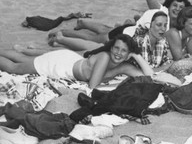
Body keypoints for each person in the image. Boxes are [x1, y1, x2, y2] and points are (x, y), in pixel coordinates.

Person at [0, 35, 153, 90]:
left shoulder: (124, 65)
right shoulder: (105, 57)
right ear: (111, 48)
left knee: (24, 60)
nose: (118, 53)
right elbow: (93, 85)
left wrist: (137, 56)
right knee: (16, 68)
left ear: (128, 55)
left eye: (124, 51)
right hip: (61, 65)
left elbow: (149, 77)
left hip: (71, 60)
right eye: (116, 48)